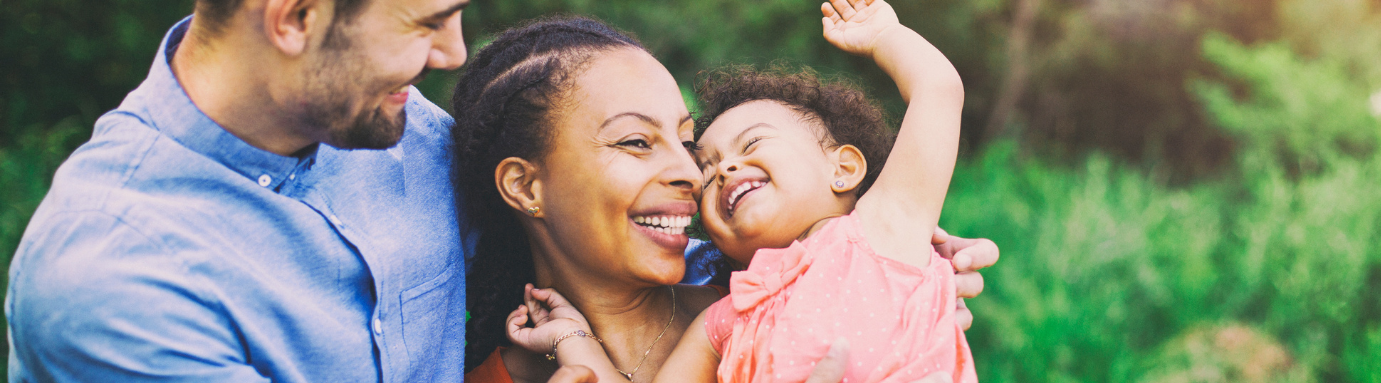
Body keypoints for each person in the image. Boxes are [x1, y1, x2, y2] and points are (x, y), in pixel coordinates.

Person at [451, 15, 999, 383]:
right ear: (525, 186)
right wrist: (576, 346)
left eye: (686, 143)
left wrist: (908, 274)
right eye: (636, 141)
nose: (691, 173)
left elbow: (937, 93)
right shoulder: (728, 322)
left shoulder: (751, 300)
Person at [4, 0, 474, 380]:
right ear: (296, 18)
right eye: (426, 24)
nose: (454, 54)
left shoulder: (396, 120)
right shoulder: (113, 277)